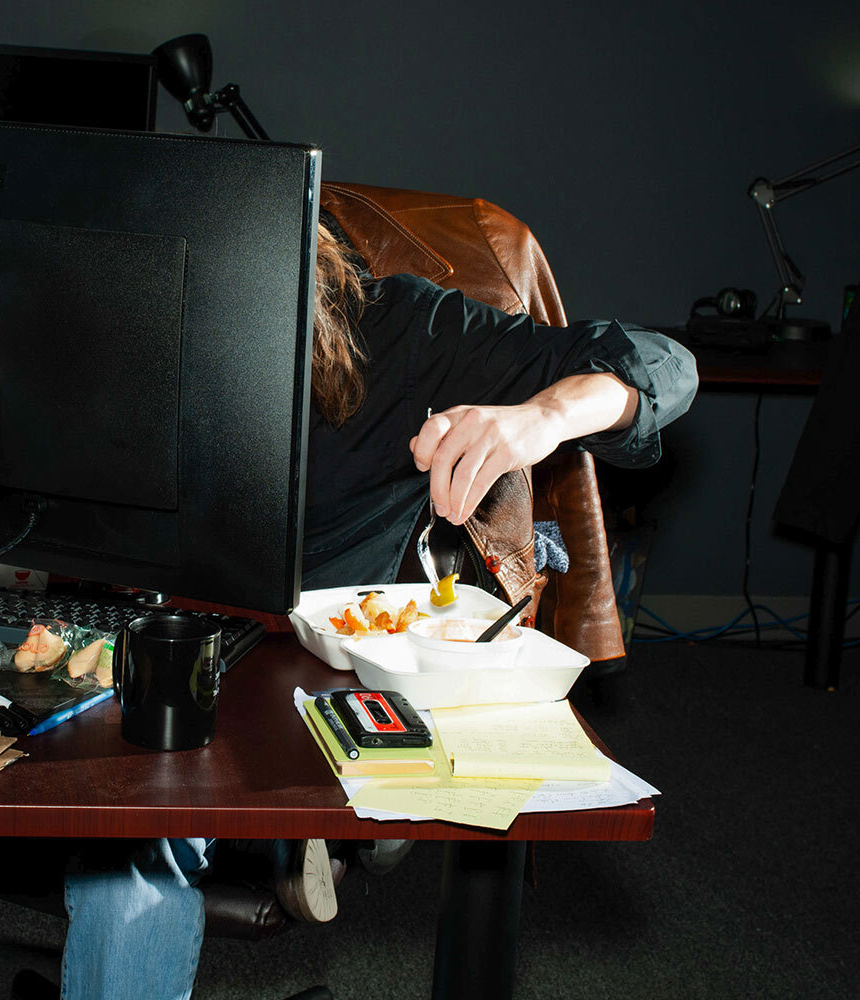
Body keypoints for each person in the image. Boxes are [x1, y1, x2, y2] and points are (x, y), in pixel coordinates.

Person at [56, 220, 698, 999]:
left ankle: (308, 831)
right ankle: (292, 841)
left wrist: (544, 418)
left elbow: (663, 364)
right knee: (127, 816)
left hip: (313, 676)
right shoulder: (116, 334)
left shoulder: (394, 328)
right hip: (148, 647)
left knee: (135, 851)